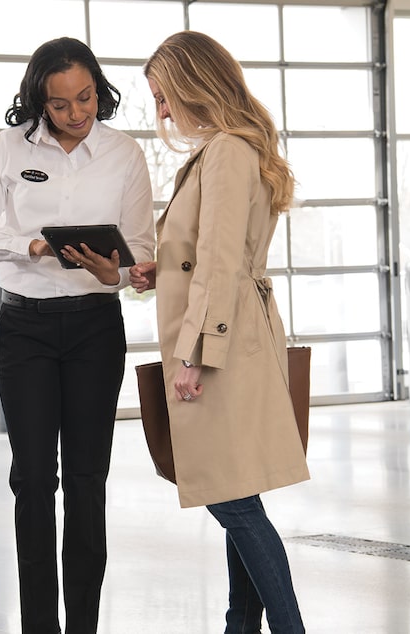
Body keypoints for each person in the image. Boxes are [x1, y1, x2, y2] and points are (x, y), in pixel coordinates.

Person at [0, 37, 155, 634]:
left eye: (86, 98)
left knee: (88, 477)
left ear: (99, 89)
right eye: (61, 103)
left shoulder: (124, 154)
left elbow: (142, 253)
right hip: (26, 328)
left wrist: (113, 271)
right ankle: (39, 625)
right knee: (34, 480)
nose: (76, 113)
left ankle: (84, 627)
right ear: (40, 99)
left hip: (96, 327)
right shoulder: (10, 149)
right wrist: (32, 244)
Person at [128, 31, 310, 633]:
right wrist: (162, 267)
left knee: (233, 501)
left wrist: (194, 358)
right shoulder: (226, 150)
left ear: (191, 85)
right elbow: (205, 256)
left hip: (221, 347)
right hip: (235, 336)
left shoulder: (228, 151)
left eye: (162, 95)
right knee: (236, 492)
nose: (161, 111)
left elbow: (222, 262)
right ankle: (241, 625)